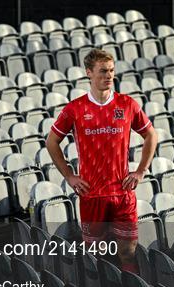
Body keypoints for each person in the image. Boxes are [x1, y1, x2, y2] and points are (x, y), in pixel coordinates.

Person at [45, 49, 157, 273]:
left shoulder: (127, 105)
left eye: (112, 71)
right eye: (103, 71)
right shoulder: (75, 109)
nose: (109, 76)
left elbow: (151, 135)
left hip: (122, 194)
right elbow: (51, 142)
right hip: (92, 195)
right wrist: (69, 176)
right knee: (96, 257)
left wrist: (141, 170)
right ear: (89, 73)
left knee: (128, 251)